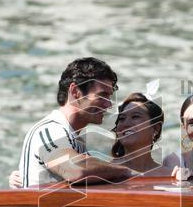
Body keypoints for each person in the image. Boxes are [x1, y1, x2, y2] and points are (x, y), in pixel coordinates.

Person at [13, 57, 138, 187]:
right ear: (75, 92)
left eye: (109, 96)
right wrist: (125, 171)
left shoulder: (75, 139)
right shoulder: (50, 130)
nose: (108, 105)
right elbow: (75, 169)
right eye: (102, 96)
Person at [112, 92, 169, 175]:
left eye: (135, 116)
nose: (126, 123)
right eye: (121, 118)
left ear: (156, 128)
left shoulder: (170, 175)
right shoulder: (103, 173)